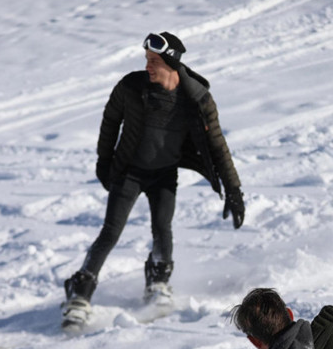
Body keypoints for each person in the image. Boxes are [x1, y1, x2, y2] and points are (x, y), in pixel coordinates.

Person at [63, 32, 244, 326]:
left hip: (164, 174)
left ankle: (158, 282)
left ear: (170, 63)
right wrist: (104, 162)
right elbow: (110, 121)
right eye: (146, 59)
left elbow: (217, 145)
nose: (147, 66)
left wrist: (234, 189)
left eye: (154, 61)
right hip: (129, 172)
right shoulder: (131, 87)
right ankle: (79, 293)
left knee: (162, 227)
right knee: (111, 232)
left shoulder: (197, 99)